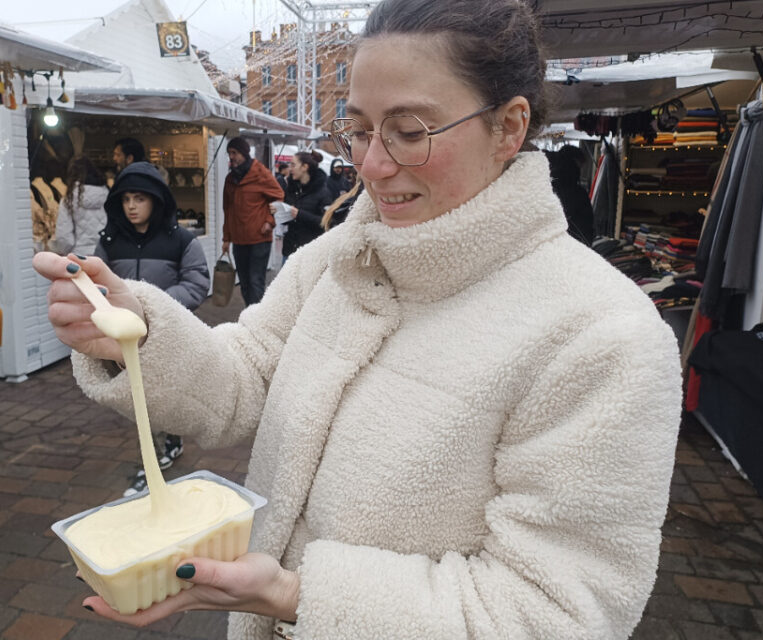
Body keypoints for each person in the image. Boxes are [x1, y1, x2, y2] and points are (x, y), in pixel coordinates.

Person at [33, 1, 682, 637]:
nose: (372, 165)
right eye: (360, 129)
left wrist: (297, 596)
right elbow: (249, 373)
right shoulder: (336, 259)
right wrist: (136, 334)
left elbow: (559, 611)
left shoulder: (601, 337)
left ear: (510, 128)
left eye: (410, 131)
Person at [93, 162, 209, 490]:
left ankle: (162, 451)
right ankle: (159, 450)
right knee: (141, 398)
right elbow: (95, 283)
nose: (131, 206)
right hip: (126, 339)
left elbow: (197, 282)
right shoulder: (110, 242)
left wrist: (154, 308)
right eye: (126, 198)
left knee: (163, 394)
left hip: (167, 334)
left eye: (140, 199)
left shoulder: (181, 240)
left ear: (156, 201)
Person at [221, 137, 284, 306]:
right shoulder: (230, 179)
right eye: (229, 153)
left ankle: (257, 321)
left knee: (256, 282)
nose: (231, 157)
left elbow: (279, 196)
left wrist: (269, 221)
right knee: (245, 283)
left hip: (259, 238)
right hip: (239, 239)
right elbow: (227, 209)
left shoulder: (260, 173)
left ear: (244, 153)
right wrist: (226, 238)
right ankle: (250, 315)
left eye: (234, 153)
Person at [50, 156, 109, 256]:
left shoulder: (68, 199)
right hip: (105, 253)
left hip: (80, 256)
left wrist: (64, 252)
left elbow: (65, 238)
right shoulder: (108, 195)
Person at [280, 151, 333, 263]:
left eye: (293, 165)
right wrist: (280, 212)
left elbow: (327, 222)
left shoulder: (323, 192)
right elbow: (288, 219)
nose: (290, 168)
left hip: (310, 253)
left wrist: (299, 214)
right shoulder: (291, 189)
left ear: (304, 167)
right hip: (289, 250)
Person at [547, 145, 595, 246]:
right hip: (573, 248)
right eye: (580, 166)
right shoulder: (578, 194)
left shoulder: (545, 187)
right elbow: (585, 228)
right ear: (574, 164)